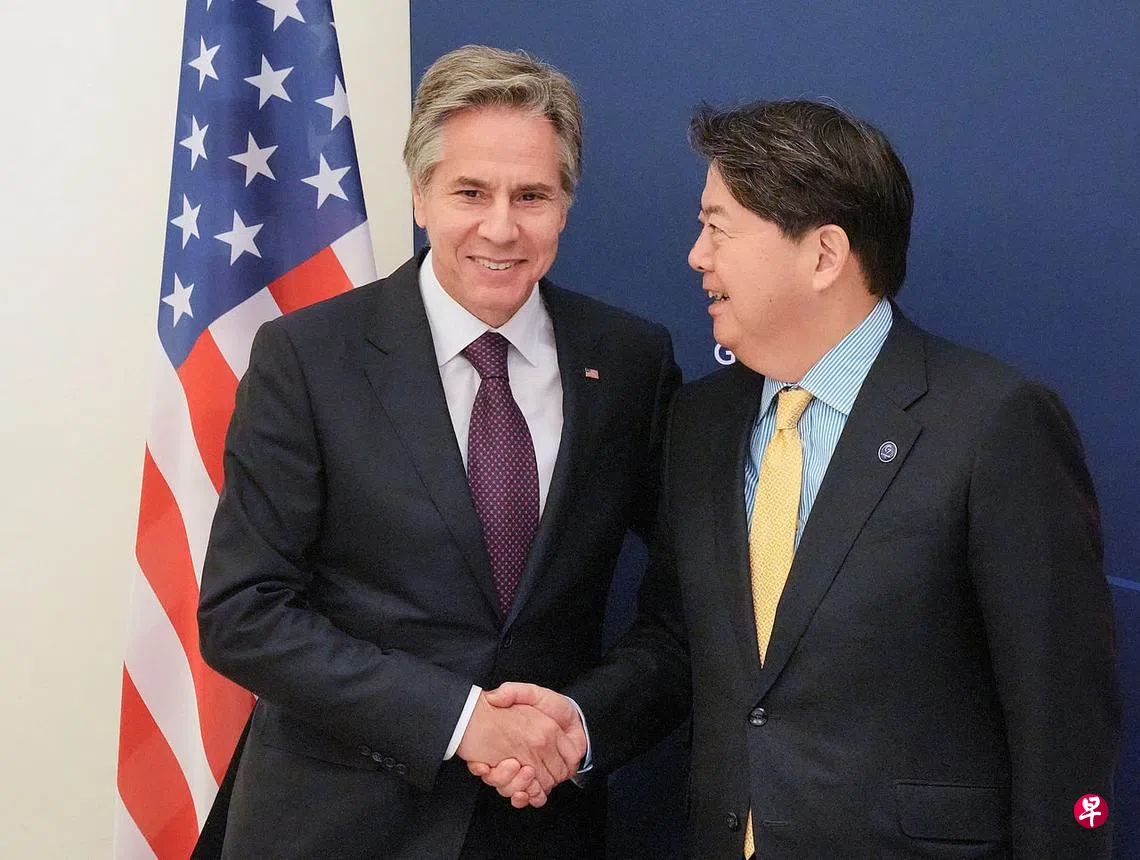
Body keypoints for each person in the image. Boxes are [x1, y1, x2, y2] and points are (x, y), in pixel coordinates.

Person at [487, 100, 1121, 858]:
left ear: (824, 256)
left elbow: (1063, 720)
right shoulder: (701, 422)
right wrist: (582, 723)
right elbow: (683, 640)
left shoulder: (993, 424)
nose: (696, 256)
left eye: (718, 228)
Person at [196, 45, 685, 859]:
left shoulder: (629, 361)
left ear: (565, 205)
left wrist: (580, 723)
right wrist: (459, 721)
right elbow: (244, 613)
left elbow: (687, 606)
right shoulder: (308, 358)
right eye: (470, 192)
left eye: (532, 195)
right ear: (421, 195)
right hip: (335, 826)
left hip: (540, 827)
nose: (502, 227)